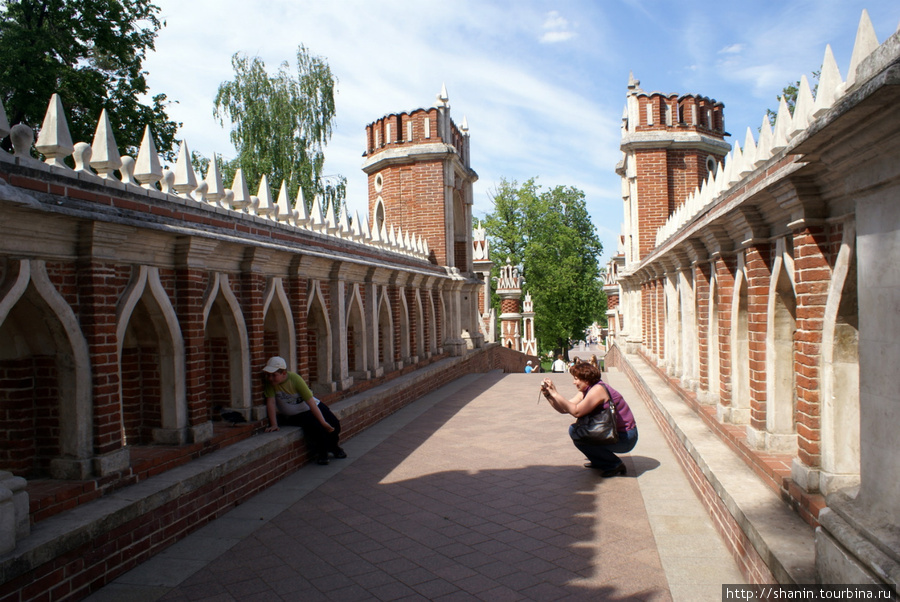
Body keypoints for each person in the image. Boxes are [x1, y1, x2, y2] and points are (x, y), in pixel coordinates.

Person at [540, 362, 637, 477]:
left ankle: (614, 464)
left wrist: (555, 394)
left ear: (586, 379)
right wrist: (549, 395)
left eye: (576, 379)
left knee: (579, 434)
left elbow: (577, 411)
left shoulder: (598, 390)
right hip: (614, 433)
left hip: (625, 438)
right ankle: (600, 461)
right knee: (576, 431)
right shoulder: (587, 390)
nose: (574, 382)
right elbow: (565, 409)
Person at [262, 356, 346, 465]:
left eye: (274, 375)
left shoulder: (295, 379)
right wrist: (274, 424)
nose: (270, 378)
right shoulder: (271, 384)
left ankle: (334, 447)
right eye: (268, 375)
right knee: (317, 428)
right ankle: (322, 453)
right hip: (297, 414)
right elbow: (271, 403)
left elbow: (311, 402)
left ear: (283, 373)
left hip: (311, 406)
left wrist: (323, 421)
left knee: (334, 423)